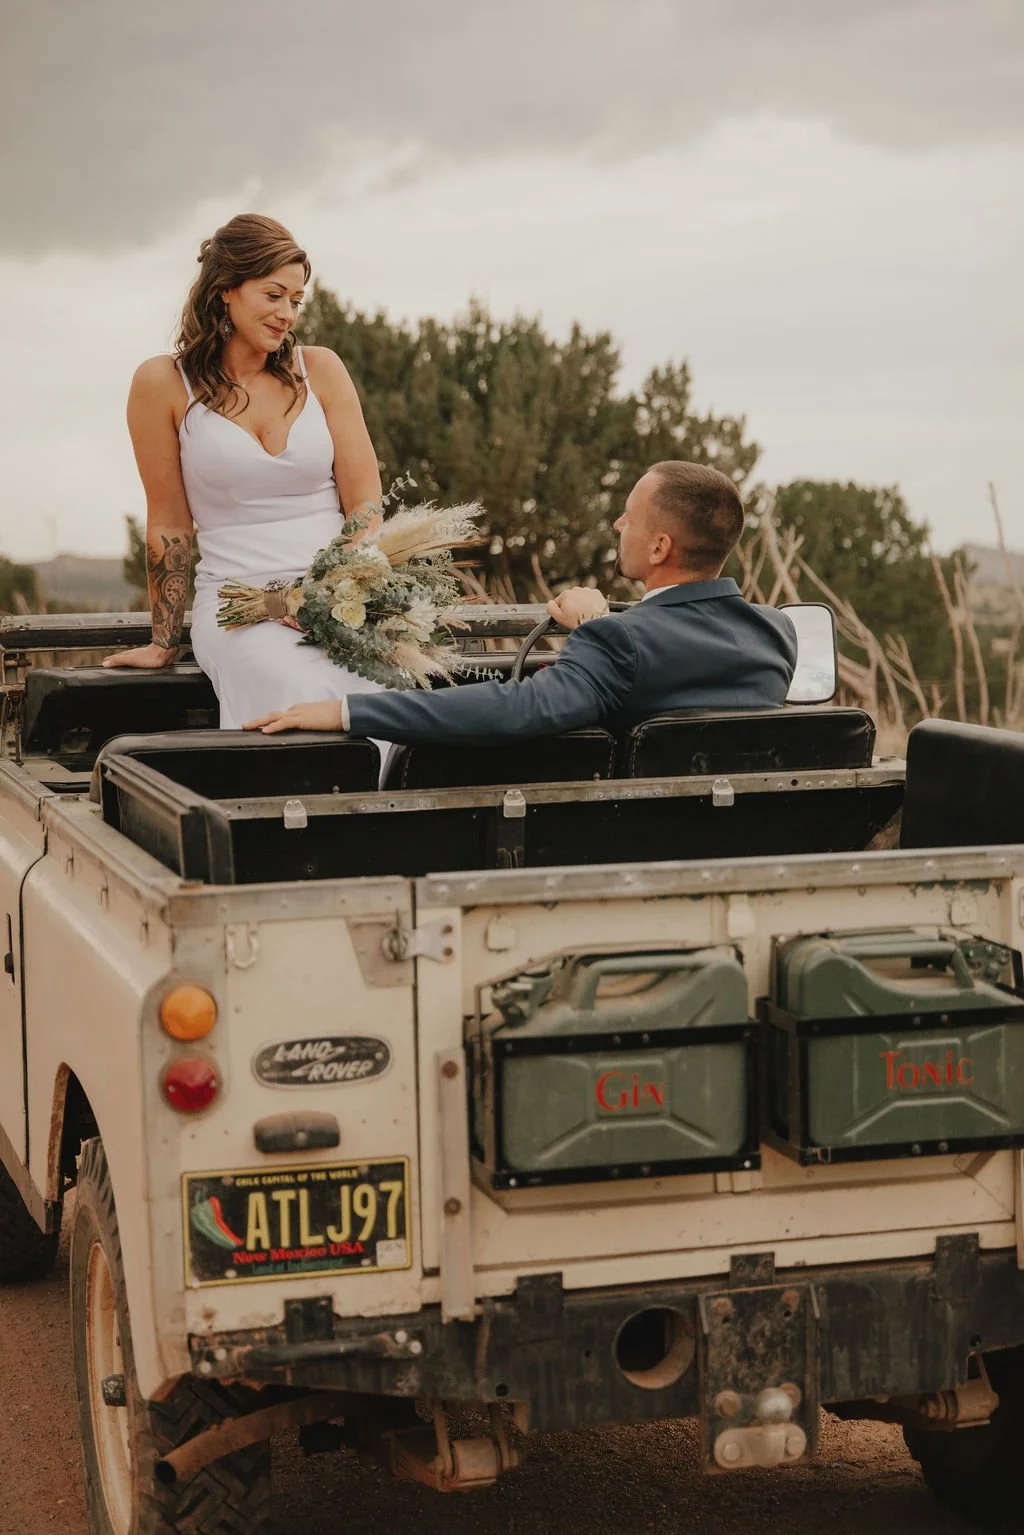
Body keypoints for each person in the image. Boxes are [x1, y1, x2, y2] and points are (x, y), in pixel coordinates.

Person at [245, 461, 799, 744]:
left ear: (660, 546)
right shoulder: (776, 632)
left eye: (630, 515)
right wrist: (599, 626)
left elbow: (518, 708)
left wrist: (346, 711)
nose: (617, 524)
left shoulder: (620, 641)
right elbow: (674, 657)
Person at [102, 213, 388, 730]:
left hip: (335, 602)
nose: (287, 314)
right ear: (226, 289)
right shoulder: (162, 384)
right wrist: (163, 642)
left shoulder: (321, 369)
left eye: (296, 301)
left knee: (382, 690)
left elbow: (365, 501)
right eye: (274, 295)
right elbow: (168, 521)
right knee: (295, 689)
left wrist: (331, 594)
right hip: (238, 607)